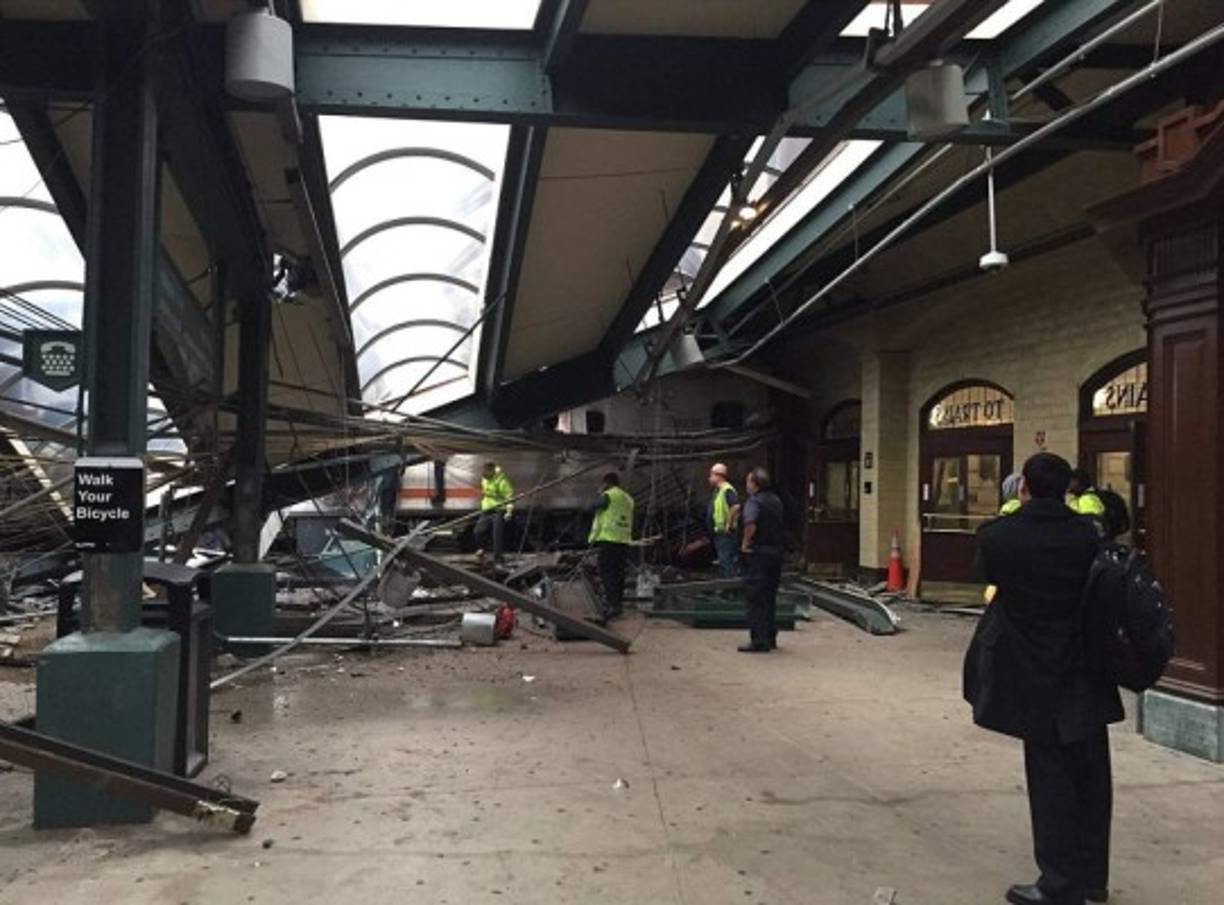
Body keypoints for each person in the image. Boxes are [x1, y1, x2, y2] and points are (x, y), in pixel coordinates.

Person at [967, 452, 1123, 905]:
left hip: (1032, 670)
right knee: (1093, 775)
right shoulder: (1090, 535)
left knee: (1049, 776)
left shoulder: (999, 537)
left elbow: (986, 577)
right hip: (1087, 668)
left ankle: (1057, 882)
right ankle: (1092, 879)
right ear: (1067, 489)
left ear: (1024, 488)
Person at [739, 466, 784, 653]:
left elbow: (750, 523)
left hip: (759, 554)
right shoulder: (776, 500)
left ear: (754, 483)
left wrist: (745, 544)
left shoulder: (754, 502)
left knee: (756, 597)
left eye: (748, 481)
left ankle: (758, 640)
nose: (746, 485)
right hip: (776, 553)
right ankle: (770, 636)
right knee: (769, 596)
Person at [589, 472, 635, 623]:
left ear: (606, 483)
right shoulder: (628, 498)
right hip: (623, 541)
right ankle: (617, 605)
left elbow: (591, 507)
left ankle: (611, 605)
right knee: (618, 574)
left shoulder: (609, 495)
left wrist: (600, 493)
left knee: (607, 573)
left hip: (609, 540)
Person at [474, 462, 514, 564]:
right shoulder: (484, 478)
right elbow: (485, 491)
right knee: (478, 531)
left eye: (486, 472)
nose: (484, 474)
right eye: (483, 472)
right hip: (487, 509)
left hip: (498, 510)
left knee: (497, 536)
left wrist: (509, 512)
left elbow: (509, 498)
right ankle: (483, 548)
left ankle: (498, 559)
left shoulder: (502, 481)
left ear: (492, 471)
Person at [707, 463, 741, 577]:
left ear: (719, 476)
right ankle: (727, 583)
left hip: (725, 534)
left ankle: (730, 585)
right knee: (723, 561)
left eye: (711, 475)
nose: (709, 478)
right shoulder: (719, 490)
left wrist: (728, 524)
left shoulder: (727, 489)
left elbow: (735, 506)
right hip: (720, 533)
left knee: (726, 561)